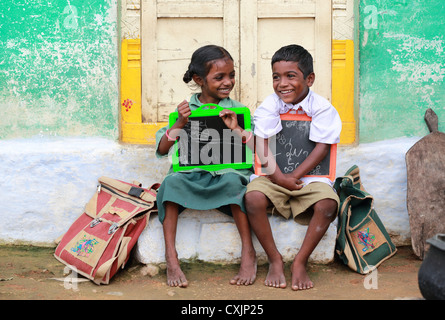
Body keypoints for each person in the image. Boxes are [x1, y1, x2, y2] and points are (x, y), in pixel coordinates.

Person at [155, 45, 256, 288]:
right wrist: (180, 122)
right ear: (199, 80)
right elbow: (161, 149)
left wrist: (238, 129)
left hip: (227, 174)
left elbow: (254, 150)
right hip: (193, 174)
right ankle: (171, 256)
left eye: (231, 75)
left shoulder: (238, 111)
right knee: (170, 184)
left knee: (236, 183)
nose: (228, 82)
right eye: (219, 77)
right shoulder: (186, 111)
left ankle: (248, 252)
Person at [245, 44, 342, 291]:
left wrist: (293, 177)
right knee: (254, 197)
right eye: (276, 77)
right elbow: (261, 143)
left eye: (291, 76)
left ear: (309, 79)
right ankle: (274, 259)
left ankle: (300, 261)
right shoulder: (270, 104)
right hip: (273, 174)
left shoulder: (322, 108)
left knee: (328, 204)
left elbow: (322, 148)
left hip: (310, 178)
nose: (282, 84)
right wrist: (279, 178)